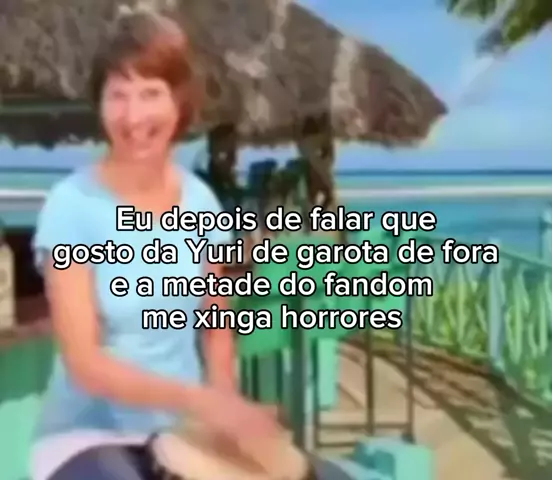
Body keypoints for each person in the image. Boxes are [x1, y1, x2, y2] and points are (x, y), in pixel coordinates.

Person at [30, 11, 280, 480]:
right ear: (100, 104)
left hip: (181, 431)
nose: (133, 116)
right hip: (86, 437)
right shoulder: (70, 205)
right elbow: (85, 364)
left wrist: (226, 405)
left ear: (179, 103)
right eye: (118, 95)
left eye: (150, 93)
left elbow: (217, 324)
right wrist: (198, 399)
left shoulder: (201, 200)